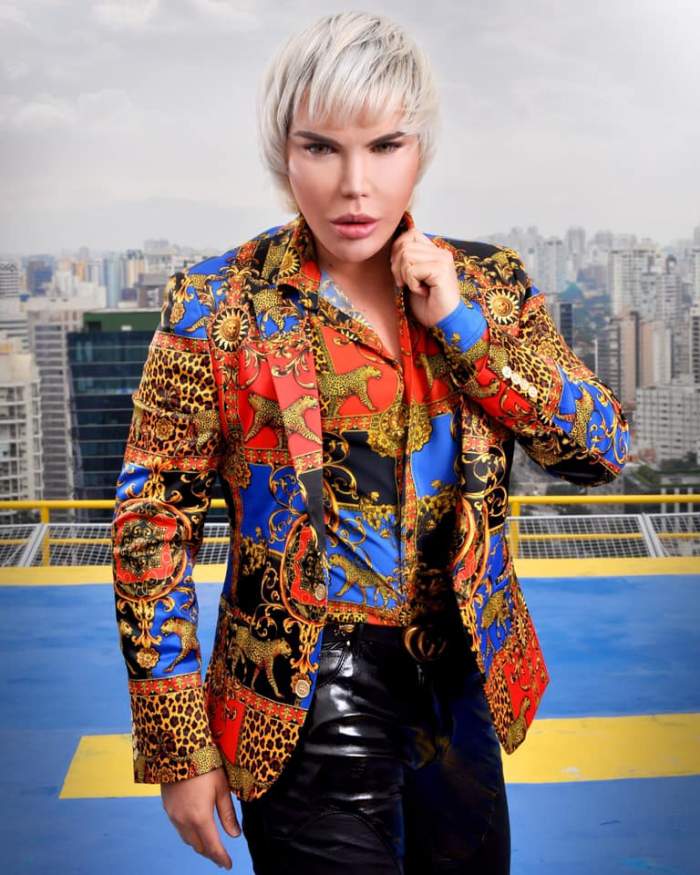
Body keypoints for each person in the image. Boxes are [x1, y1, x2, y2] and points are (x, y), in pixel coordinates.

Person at [111, 10, 630, 874]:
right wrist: (178, 746)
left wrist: (460, 326)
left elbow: (599, 449)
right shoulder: (215, 302)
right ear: (283, 152)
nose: (355, 186)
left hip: (458, 683)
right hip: (301, 691)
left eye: (385, 146)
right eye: (321, 148)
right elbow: (151, 523)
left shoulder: (490, 285)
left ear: (420, 149)